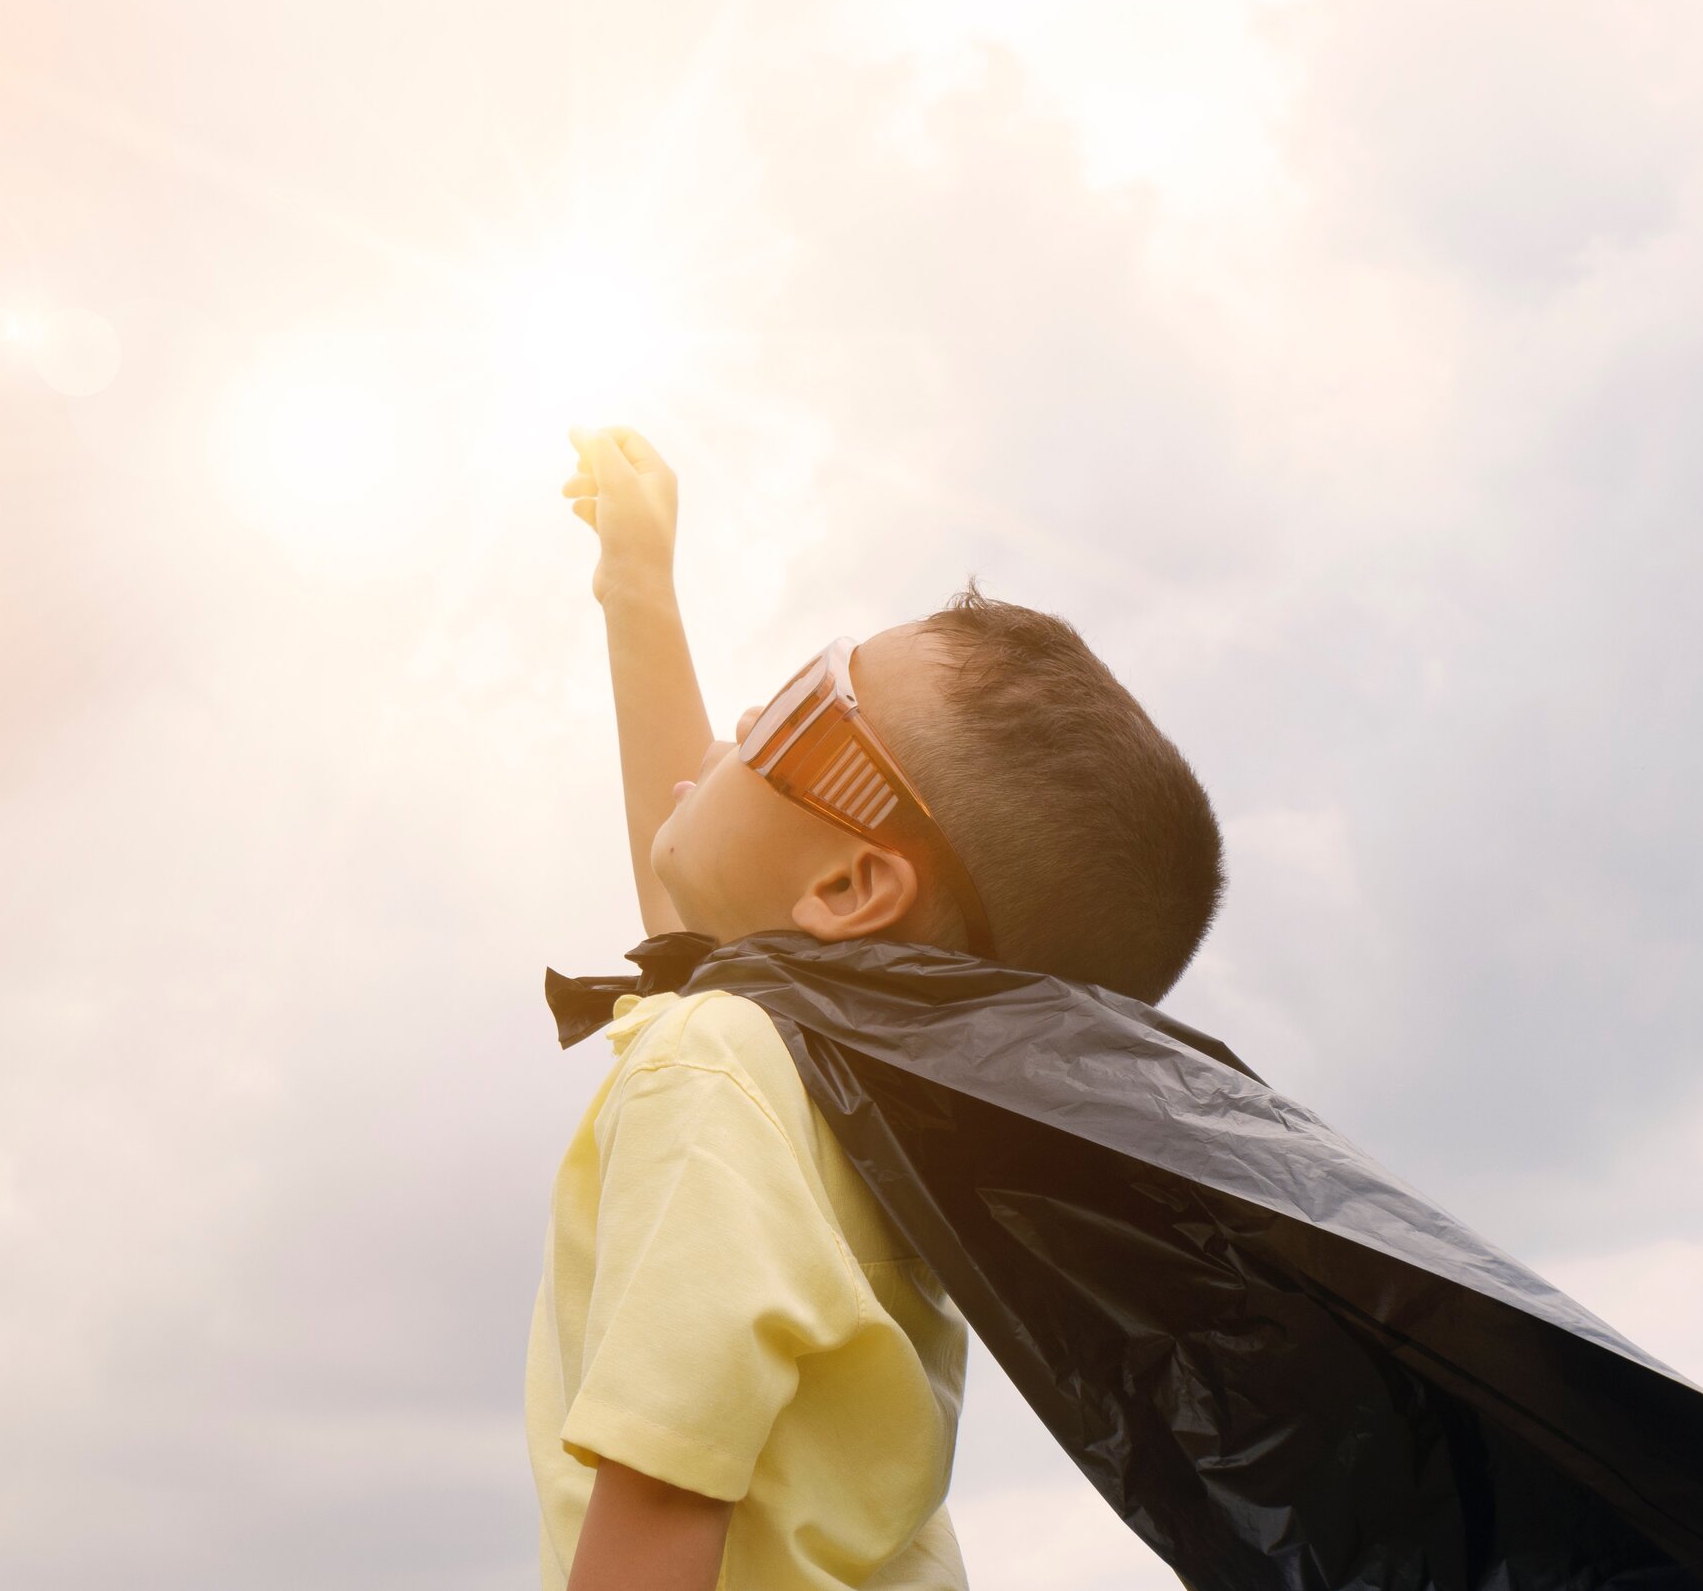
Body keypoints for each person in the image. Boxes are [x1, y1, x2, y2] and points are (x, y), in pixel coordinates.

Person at [525, 427, 1225, 1591]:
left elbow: (661, 1493)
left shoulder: (718, 1063)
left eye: (802, 709)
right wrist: (636, 585)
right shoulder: (858, 1084)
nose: (748, 709)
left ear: (850, 884)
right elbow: (697, 893)